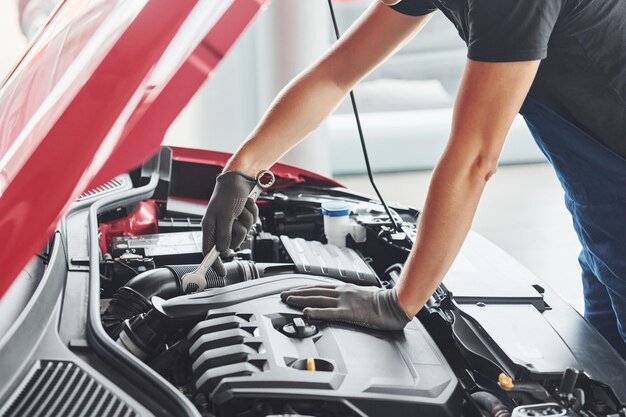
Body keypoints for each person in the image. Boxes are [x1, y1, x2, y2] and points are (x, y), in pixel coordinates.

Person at [201, 0, 626, 359]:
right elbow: (337, 73)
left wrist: (399, 300)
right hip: (598, 199)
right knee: (608, 371)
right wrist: (242, 170)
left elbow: (475, 158)